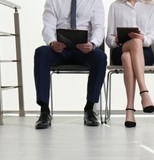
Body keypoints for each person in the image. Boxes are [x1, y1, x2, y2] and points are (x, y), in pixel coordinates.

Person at [33, 0, 107, 129]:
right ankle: (44, 111)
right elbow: (48, 26)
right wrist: (52, 42)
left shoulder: (94, 1)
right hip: (60, 49)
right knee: (41, 52)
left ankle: (89, 109)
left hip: (84, 50)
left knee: (100, 57)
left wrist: (93, 43)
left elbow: (99, 27)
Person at [106, 0, 154, 128]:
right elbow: (108, 38)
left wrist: (142, 38)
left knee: (128, 56)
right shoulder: (115, 6)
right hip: (120, 48)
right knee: (132, 46)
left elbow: (153, 35)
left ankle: (130, 109)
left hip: (144, 52)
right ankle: (144, 92)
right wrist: (115, 39)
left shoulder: (152, 6)